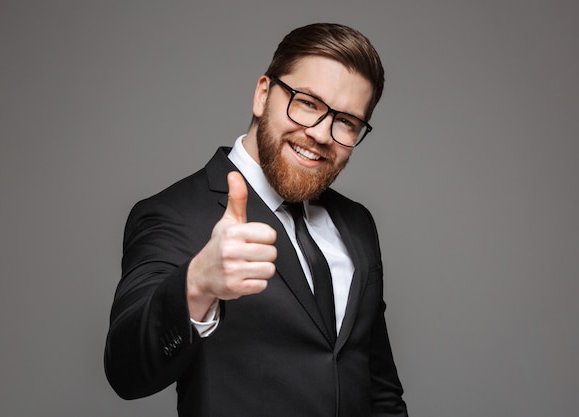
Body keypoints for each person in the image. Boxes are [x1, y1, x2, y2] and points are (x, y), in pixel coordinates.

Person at [104, 22, 408, 417]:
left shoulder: (358, 224)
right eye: (307, 103)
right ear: (263, 94)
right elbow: (126, 371)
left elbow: (379, 388)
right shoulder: (174, 214)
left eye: (346, 122)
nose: (320, 134)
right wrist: (196, 285)